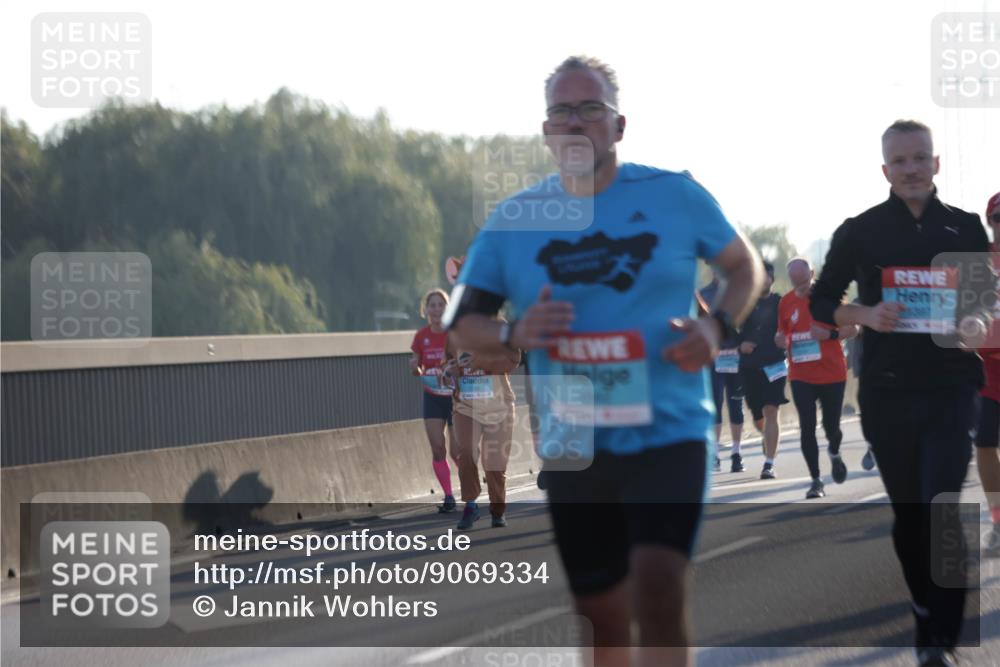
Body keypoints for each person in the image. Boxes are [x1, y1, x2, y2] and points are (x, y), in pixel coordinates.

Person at [444, 55, 762, 667]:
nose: (576, 122)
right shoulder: (513, 220)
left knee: (658, 584)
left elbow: (744, 266)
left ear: (618, 126)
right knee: (603, 614)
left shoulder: (675, 195)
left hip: (667, 429)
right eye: (562, 111)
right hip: (575, 440)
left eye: (592, 109)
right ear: (545, 132)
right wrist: (516, 330)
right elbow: (463, 324)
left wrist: (716, 324)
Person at [810, 120, 994, 666]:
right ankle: (921, 606)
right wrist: (865, 314)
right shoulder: (861, 230)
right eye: (900, 161)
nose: (911, 169)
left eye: (921, 158)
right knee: (910, 516)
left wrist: (977, 325)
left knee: (942, 506)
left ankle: (942, 636)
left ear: (936, 164)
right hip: (888, 393)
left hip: (951, 388)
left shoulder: (963, 230)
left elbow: (985, 307)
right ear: (885, 169)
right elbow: (824, 302)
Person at [775, 257, 858, 499]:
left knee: (831, 427)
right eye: (795, 283)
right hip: (801, 374)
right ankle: (816, 480)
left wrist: (830, 334)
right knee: (807, 426)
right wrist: (779, 339)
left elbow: (854, 328)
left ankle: (834, 452)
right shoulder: (786, 303)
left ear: (812, 273)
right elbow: (782, 332)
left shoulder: (830, 296)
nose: (801, 288)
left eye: (804, 281)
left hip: (832, 372)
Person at [443, 331, 520, 530]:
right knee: (466, 452)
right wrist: (449, 372)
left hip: (499, 406)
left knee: (494, 464)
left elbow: (513, 360)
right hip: (466, 407)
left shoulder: (499, 328)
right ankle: (470, 505)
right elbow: (446, 367)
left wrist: (479, 361)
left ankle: (497, 510)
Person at [409, 289, 458, 513]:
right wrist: (416, 369)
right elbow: (417, 368)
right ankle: (449, 496)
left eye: (441, 305)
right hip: (432, 397)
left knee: (458, 452)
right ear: (426, 310)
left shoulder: (455, 334)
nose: (437, 309)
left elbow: (467, 361)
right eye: (433, 305)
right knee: (438, 448)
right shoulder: (421, 336)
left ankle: (471, 486)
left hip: (456, 398)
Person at [738, 261, 787, 479]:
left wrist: (786, 339)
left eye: (767, 276)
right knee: (758, 416)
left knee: (771, 410)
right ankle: (765, 436)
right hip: (750, 366)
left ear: (772, 279)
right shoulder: (744, 303)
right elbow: (728, 327)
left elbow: (793, 325)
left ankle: (769, 463)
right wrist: (740, 344)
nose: (764, 280)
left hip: (775, 363)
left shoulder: (781, 303)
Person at [701, 270, 746, 473]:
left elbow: (747, 325)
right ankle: (715, 454)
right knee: (715, 405)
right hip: (714, 359)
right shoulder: (703, 294)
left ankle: (736, 453)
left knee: (736, 405)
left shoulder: (740, 292)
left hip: (735, 357)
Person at [977, 192, 1000, 555]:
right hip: (986, 370)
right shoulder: (976, 264)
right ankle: (998, 521)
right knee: (984, 444)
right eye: (999, 218)